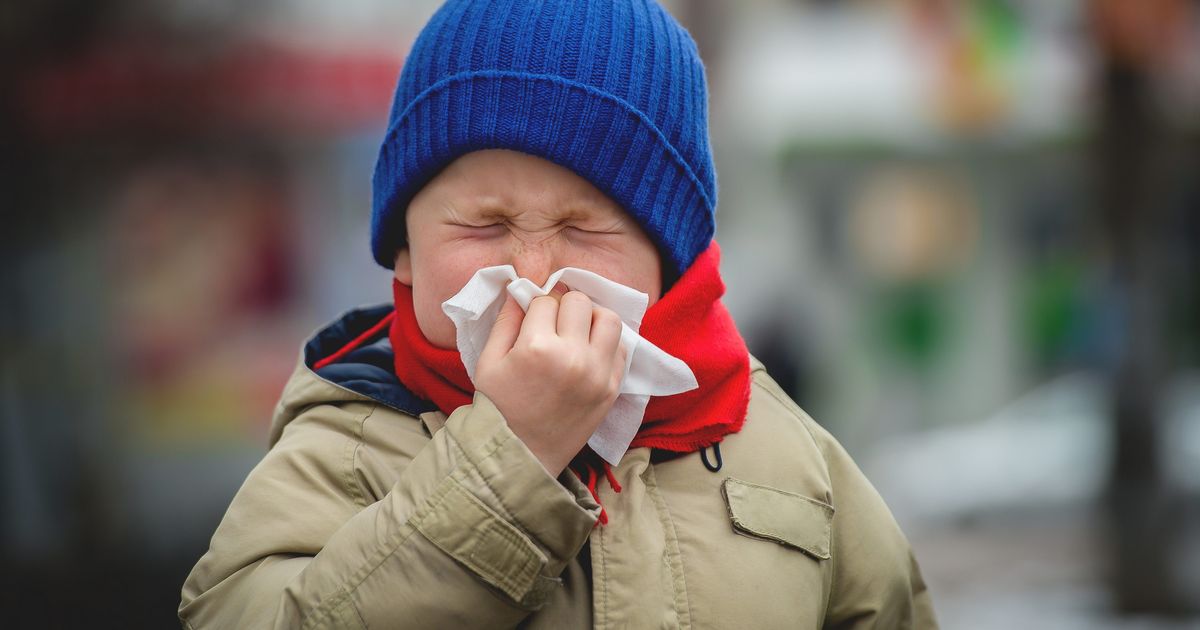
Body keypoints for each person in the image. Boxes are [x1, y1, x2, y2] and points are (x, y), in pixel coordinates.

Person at [179, 1, 937, 628]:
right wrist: (509, 456)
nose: (533, 274)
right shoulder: (340, 447)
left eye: (583, 228)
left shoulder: (787, 458)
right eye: (484, 225)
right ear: (404, 253)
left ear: (670, 263)